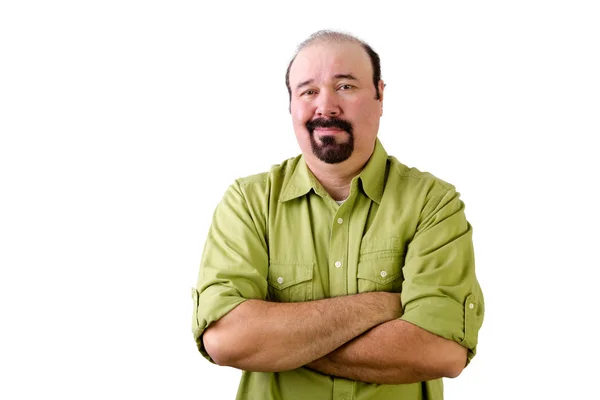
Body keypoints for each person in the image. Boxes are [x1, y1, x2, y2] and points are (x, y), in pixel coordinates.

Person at [191, 29, 484, 400]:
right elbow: (228, 340)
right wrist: (382, 305)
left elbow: (439, 351)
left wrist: (282, 343)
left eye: (345, 86)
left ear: (380, 96)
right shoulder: (248, 202)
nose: (325, 106)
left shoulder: (433, 203)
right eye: (308, 91)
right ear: (291, 105)